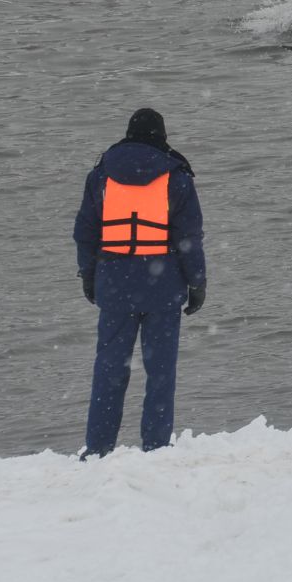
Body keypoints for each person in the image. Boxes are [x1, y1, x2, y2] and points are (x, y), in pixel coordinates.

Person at [73, 108, 208, 457]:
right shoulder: (175, 175)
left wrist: (89, 275)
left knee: (109, 370)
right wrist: (197, 283)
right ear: (161, 136)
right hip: (162, 287)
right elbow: (189, 237)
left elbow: (85, 232)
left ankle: (99, 448)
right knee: (160, 374)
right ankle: (157, 448)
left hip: (115, 285)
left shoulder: (102, 173)